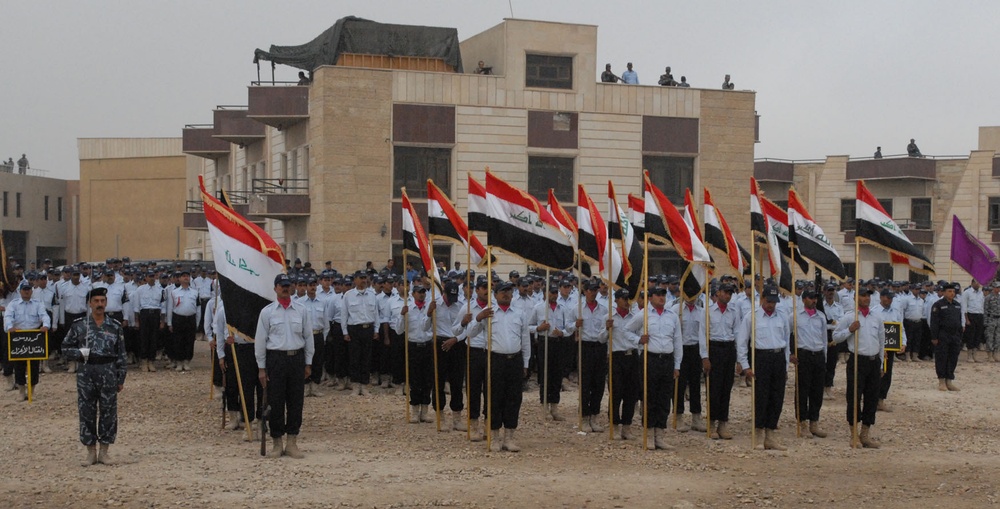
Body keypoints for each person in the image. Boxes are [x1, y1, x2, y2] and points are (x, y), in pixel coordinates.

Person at [60, 287, 126, 465]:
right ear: (89, 303)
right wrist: (79, 353)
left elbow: (121, 354)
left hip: (108, 371)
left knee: (108, 412)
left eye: (102, 301)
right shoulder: (80, 325)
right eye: (96, 301)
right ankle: (90, 452)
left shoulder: (114, 326)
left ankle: (104, 451)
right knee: (86, 412)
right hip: (86, 373)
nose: (100, 305)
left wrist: (121, 379)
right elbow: (65, 348)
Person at [255, 274, 314, 459]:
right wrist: (262, 368)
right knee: (276, 401)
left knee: (296, 402)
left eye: (288, 285)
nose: (285, 289)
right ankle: (277, 442)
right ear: (275, 288)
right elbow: (260, 341)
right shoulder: (267, 312)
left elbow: (308, 337)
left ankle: (292, 442)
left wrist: (308, 362)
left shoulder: (302, 310)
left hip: (296, 359)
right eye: (282, 286)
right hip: (276, 360)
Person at [467, 281, 530, 452]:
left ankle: (509, 437)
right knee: (494, 398)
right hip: (495, 359)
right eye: (502, 291)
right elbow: (471, 334)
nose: (506, 294)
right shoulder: (488, 313)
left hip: (515, 360)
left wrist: (525, 362)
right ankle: (494, 436)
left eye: (509, 291)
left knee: (514, 398)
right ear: (494, 295)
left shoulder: (519, 313)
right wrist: (478, 318)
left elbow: (525, 339)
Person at [737, 285, 792, 450]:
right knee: (762, 397)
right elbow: (741, 343)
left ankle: (770, 434)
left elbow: (787, 342)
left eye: (774, 302)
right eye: (768, 301)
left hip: (778, 358)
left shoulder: (782, 317)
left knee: (777, 397)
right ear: (762, 299)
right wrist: (746, 366)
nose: (771, 305)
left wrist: (786, 365)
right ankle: (758, 433)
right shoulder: (751, 317)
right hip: (761, 358)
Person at [832, 288, 884, 448]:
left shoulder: (877, 318)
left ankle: (865, 433)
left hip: (873, 361)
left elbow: (881, 341)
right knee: (854, 396)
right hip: (857, 361)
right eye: (862, 295)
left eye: (868, 295)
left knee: (871, 397)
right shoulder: (849, 317)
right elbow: (835, 337)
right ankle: (853, 433)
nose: (866, 298)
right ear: (855, 298)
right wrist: (850, 330)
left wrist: (881, 363)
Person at [641, 286, 682, 451]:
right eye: (658, 295)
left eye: (663, 295)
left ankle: (660, 435)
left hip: (667, 360)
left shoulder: (672, 316)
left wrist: (677, 365)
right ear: (650, 297)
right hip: (651, 359)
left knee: (664, 399)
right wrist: (638, 339)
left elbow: (677, 342)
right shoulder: (644, 314)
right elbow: (627, 328)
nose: (661, 298)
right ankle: (649, 434)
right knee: (650, 397)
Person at [429, 281, 468, 431]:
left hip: (456, 344)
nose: (452, 301)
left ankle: (457, 417)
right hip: (440, 344)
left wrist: (456, 339)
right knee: (438, 382)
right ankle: (440, 417)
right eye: (449, 297)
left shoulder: (461, 306)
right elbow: (425, 327)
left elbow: (465, 328)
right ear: (443, 293)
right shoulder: (435, 304)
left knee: (457, 382)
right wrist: (428, 313)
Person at [3, 282, 51, 401]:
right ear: (20, 291)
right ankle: (21, 392)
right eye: (24, 289)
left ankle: (32, 392)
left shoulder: (37, 304)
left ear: (31, 291)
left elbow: (44, 316)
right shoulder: (13, 304)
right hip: (18, 337)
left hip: (34, 336)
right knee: (19, 366)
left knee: (34, 366)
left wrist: (45, 325)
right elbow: (8, 317)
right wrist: (9, 327)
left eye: (28, 289)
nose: (26, 291)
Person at [396, 282, 434, 423]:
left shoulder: (429, 308)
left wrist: (429, 314)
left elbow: (428, 328)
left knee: (427, 380)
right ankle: (414, 411)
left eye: (423, 291)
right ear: (413, 294)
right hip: (413, 346)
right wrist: (401, 315)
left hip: (427, 346)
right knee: (415, 379)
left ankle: (425, 411)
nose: (421, 294)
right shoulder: (407, 308)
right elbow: (399, 330)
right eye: (419, 292)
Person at [706, 283, 740, 439]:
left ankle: (723, 424)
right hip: (714, 349)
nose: (728, 295)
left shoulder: (733, 312)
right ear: (718, 292)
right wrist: (704, 357)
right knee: (714, 388)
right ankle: (711, 423)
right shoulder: (708, 312)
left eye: (730, 293)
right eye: (725, 292)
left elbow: (738, 335)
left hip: (728, 350)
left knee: (726, 387)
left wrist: (740, 359)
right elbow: (702, 335)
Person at [573, 281, 608, 432]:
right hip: (585, 346)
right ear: (585, 291)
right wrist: (575, 325)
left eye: (595, 290)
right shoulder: (578, 308)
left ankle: (595, 415)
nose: (593, 293)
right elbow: (567, 326)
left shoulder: (604, 309)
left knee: (598, 383)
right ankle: (584, 417)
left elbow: (605, 332)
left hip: (599, 347)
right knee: (585, 383)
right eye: (590, 290)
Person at [794, 289, 829, 438]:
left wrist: (824, 357)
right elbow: (787, 333)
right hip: (804, 355)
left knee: (817, 391)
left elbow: (824, 339)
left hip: (818, 355)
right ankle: (802, 422)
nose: (813, 301)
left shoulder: (821, 317)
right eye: (810, 298)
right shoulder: (795, 316)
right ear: (803, 300)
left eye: (815, 298)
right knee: (802, 390)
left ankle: (814, 421)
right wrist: (791, 353)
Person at [607, 289, 641, 439]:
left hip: (632, 356)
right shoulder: (609, 317)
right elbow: (602, 339)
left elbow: (639, 338)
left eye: (628, 298)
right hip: (616, 356)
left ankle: (627, 426)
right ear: (616, 300)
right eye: (623, 298)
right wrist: (607, 328)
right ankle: (614, 425)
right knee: (616, 392)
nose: (627, 301)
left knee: (631, 393)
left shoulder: (635, 317)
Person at [341, 271, 380, 396]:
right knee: (354, 358)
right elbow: (344, 315)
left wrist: (376, 330)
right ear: (355, 280)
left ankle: (364, 385)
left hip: (368, 329)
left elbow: (376, 314)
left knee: (366, 358)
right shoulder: (348, 295)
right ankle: (355, 385)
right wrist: (345, 332)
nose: (364, 280)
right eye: (361, 278)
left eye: (365, 278)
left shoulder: (372, 294)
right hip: (354, 329)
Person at [675, 293, 706, 433]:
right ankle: (678, 416)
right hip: (681, 348)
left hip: (695, 349)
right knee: (679, 385)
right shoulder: (676, 309)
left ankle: (696, 418)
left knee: (695, 385)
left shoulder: (702, 312)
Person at [876, 290, 906, 412]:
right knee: (876, 373)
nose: (890, 300)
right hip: (877, 349)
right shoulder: (874, 311)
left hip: (890, 348)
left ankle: (881, 400)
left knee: (887, 374)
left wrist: (903, 342)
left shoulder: (896, 312)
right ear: (881, 297)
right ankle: (872, 399)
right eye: (887, 297)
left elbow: (901, 328)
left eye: (891, 298)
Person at [930, 283, 963, 391]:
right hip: (943, 335)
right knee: (942, 358)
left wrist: (960, 336)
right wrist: (934, 337)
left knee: (953, 358)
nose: (952, 293)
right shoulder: (938, 305)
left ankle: (949, 380)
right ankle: (941, 381)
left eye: (953, 291)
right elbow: (934, 322)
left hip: (955, 335)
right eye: (949, 291)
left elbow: (959, 320)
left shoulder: (957, 305)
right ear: (943, 292)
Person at [166, 270, 199, 372]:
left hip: (190, 318)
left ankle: (187, 361)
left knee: (189, 341)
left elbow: (198, 308)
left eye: (187, 276)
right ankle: (179, 362)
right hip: (178, 318)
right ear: (179, 279)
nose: (186, 278)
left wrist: (197, 322)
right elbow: (170, 308)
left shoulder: (195, 292)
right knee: (178, 341)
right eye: (183, 276)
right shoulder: (174, 292)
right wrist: (169, 323)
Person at [961, 279, 985, 362]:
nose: (978, 284)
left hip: (980, 315)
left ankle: (975, 355)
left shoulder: (981, 293)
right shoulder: (967, 293)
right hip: (971, 316)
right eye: (976, 282)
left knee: (978, 335)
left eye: (979, 283)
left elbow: (982, 305)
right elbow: (964, 307)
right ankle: (969, 356)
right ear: (972, 283)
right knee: (970, 335)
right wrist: (966, 319)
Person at [984, 282, 1000, 362]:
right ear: (993, 288)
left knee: (997, 337)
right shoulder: (988, 298)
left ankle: (995, 353)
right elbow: (986, 310)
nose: (998, 289)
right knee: (990, 337)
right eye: (997, 287)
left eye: (999, 287)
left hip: (998, 319)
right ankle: (989, 354)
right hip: (991, 319)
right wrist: (985, 322)